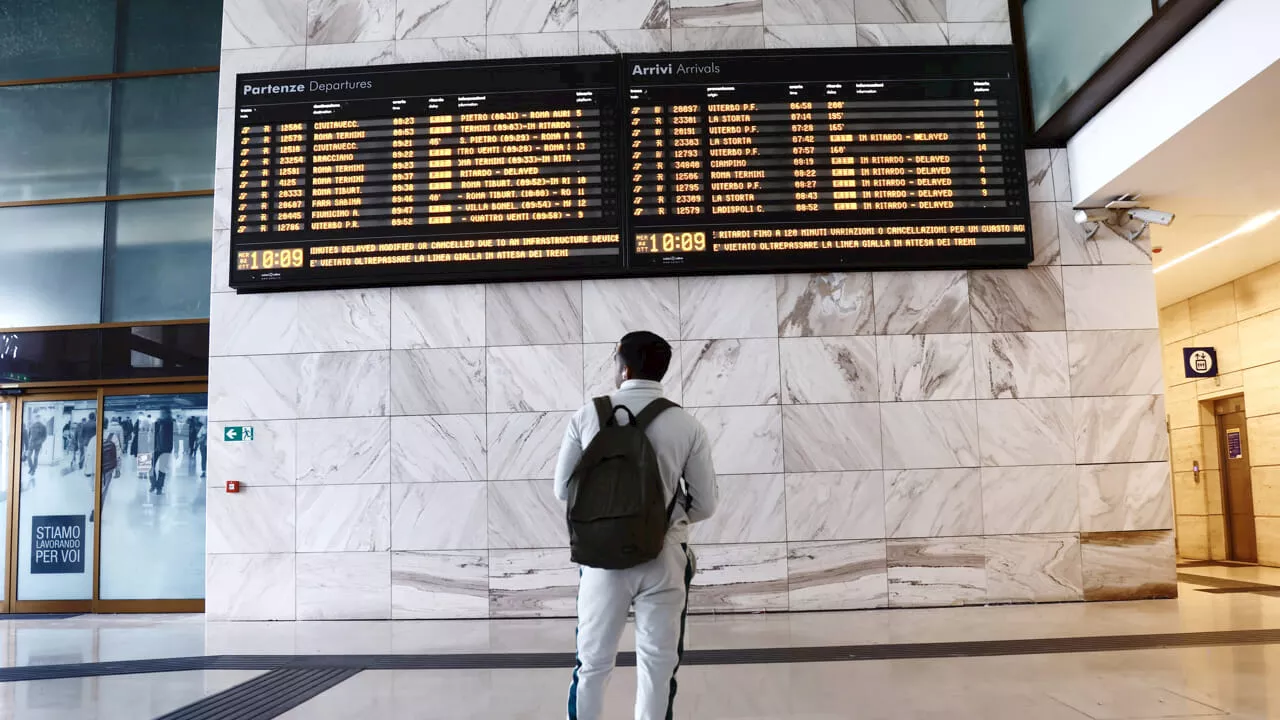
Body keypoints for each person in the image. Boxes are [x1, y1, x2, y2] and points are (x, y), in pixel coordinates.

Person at [554, 331, 718, 720]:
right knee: (657, 670)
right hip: (663, 558)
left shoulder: (587, 415)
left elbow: (563, 489)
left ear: (623, 366)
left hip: (600, 559)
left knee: (591, 667)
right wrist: (663, 523)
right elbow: (706, 503)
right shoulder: (687, 425)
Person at [151, 408, 174, 494]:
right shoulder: (157, 423)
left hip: (166, 449)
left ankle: (159, 487)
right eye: (161, 413)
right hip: (156, 448)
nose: (161, 414)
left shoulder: (170, 423)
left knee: (162, 469)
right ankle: (153, 484)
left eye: (163, 413)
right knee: (150, 466)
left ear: (168, 414)